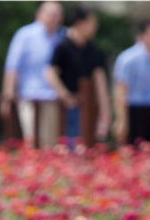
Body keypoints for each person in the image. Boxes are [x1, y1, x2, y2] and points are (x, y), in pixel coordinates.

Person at [1, 1, 64, 148]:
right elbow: (12, 67)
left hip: (54, 97)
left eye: (57, 15)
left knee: (52, 143)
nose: (54, 18)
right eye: (51, 14)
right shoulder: (25, 35)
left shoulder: (63, 35)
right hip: (29, 96)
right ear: (39, 14)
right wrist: (7, 96)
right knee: (33, 139)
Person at [45, 5, 111, 146]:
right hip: (68, 106)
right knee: (69, 144)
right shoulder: (63, 46)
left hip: (89, 105)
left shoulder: (93, 49)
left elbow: (100, 80)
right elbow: (50, 73)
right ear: (80, 23)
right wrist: (65, 95)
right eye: (92, 23)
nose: (94, 28)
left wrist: (105, 112)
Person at [112, 19, 150, 145]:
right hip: (133, 109)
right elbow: (121, 89)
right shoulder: (128, 58)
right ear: (142, 35)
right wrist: (121, 119)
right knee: (133, 149)